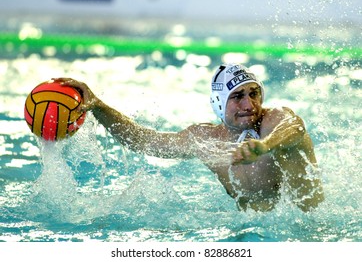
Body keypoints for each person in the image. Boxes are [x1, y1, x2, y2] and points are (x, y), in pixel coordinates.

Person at [57, 63, 324, 212]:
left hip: (310, 227)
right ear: (219, 104)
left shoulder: (272, 122)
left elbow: (295, 127)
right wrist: (98, 105)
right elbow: (140, 139)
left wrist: (264, 146)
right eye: (238, 96)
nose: (249, 104)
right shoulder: (206, 138)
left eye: (254, 93)